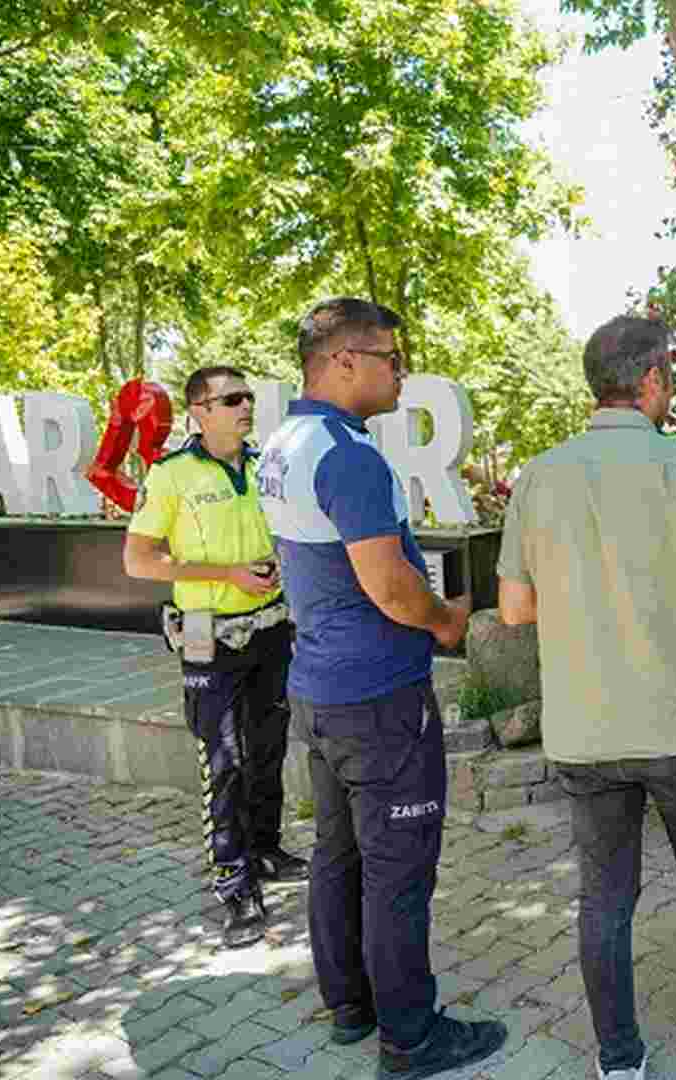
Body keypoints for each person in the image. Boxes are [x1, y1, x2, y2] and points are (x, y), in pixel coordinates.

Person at [497, 316, 676, 1080]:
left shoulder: (537, 478)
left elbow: (515, 609)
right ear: (651, 381)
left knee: (603, 901)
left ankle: (619, 1060)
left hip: (582, 729)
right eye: (668, 375)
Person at [257, 298, 506, 1080]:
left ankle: (350, 1006)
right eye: (390, 358)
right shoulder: (347, 455)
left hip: (319, 688)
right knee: (397, 869)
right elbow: (392, 588)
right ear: (342, 361)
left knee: (338, 855)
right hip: (378, 697)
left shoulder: (282, 443)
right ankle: (411, 1038)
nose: (400, 371)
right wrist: (446, 621)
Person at [124, 366, 306, 951]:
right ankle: (234, 884)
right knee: (223, 759)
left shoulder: (264, 466)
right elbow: (139, 560)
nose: (245, 406)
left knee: (268, 748)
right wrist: (225, 574)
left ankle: (266, 849)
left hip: (271, 627)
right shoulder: (171, 474)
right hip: (205, 631)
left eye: (248, 397)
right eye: (231, 399)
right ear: (199, 411)